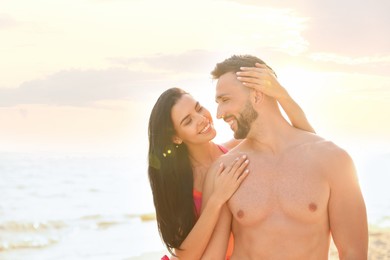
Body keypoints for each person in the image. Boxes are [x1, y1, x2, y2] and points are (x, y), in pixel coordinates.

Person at [201, 55, 368, 259]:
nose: (219, 113)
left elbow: (353, 253)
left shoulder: (333, 160)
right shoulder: (224, 169)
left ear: (257, 95)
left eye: (225, 100)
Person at [148, 63, 315, 260]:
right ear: (176, 137)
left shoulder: (239, 149)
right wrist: (216, 199)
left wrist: (282, 95)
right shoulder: (176, 181)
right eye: (188, 121)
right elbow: (185, 255)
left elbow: (306, 143)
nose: (201, 119)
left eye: (199, 108)